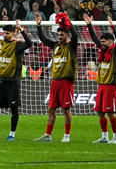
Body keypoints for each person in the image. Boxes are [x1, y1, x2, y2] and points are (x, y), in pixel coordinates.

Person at [34, 13, 78, 142]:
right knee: (51, 109)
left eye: (62, 35)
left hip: (66, 81)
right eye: (58, 35)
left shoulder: (71, 47)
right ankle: (48, 135)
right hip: (55, 81)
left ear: (67, 35)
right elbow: (43, 39)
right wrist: (39, 25)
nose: (59, 37)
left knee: (66, 109)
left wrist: (68, 23)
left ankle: (67, 135)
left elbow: (75, 35)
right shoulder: (56, 46)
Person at [85, 13, 116, 144]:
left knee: (110, 112)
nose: (101, 43)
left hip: (111, 85)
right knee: (100, 111)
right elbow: (94, 39)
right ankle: (105, 136)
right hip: (101, 85)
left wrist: (113, 27)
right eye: (101, 41)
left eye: (104, 41)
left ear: (111, 42)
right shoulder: (103, 51)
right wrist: (89, 25)